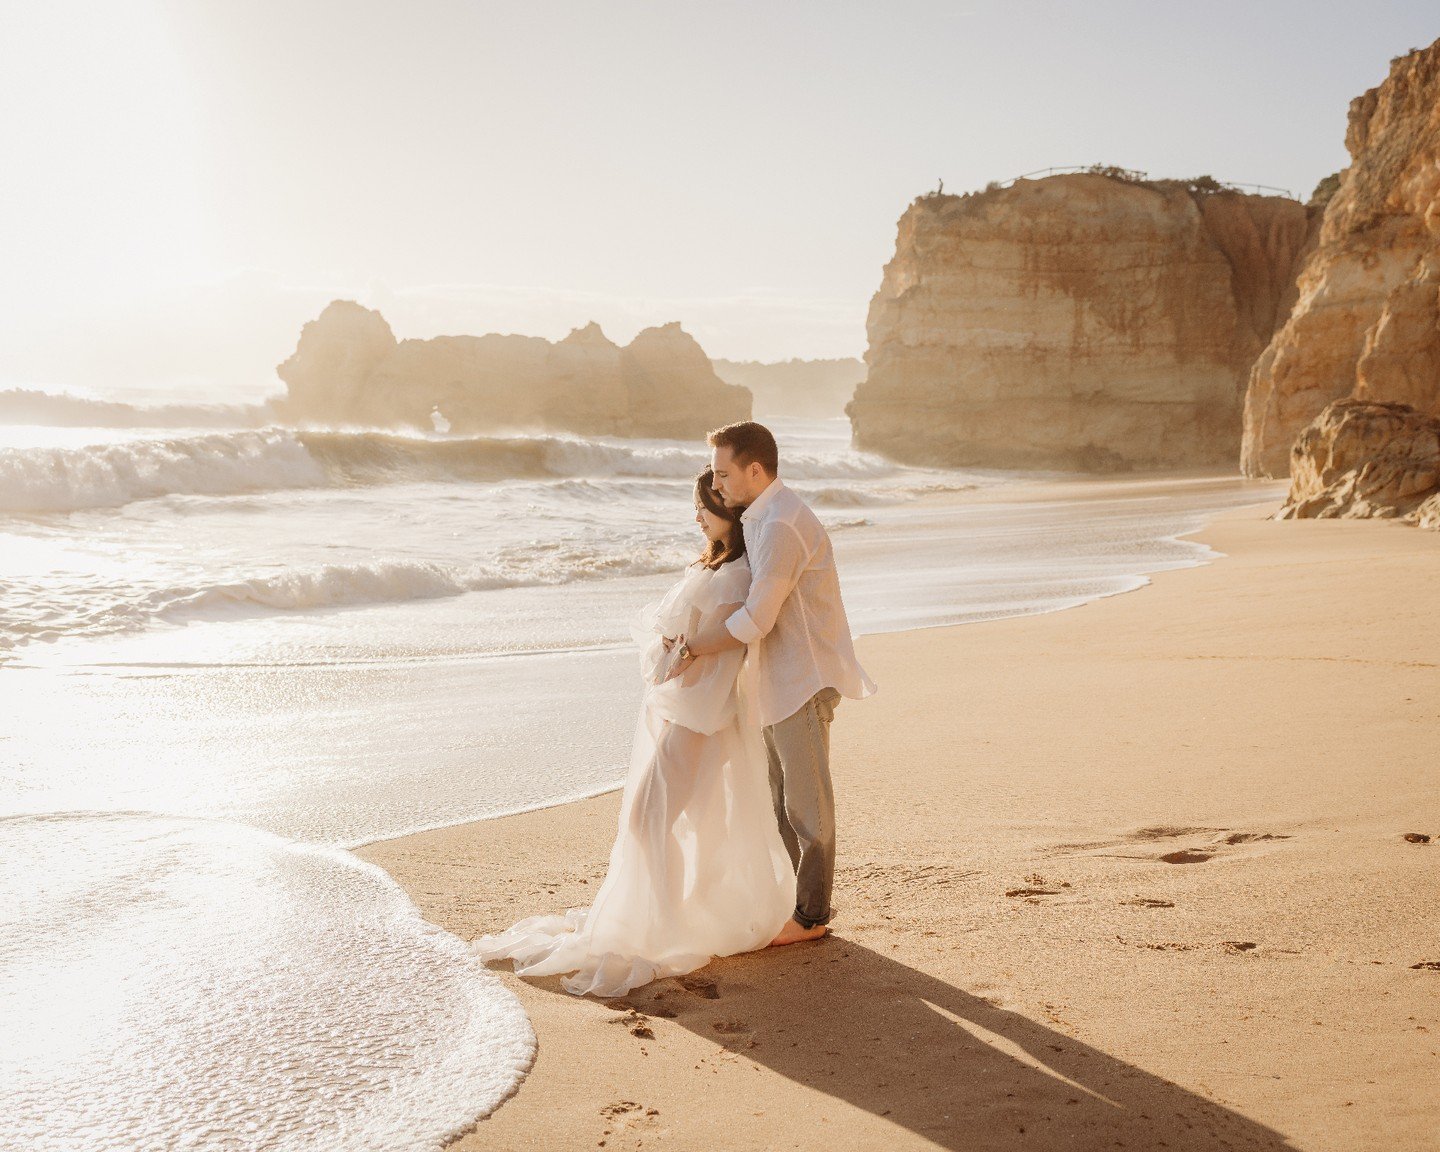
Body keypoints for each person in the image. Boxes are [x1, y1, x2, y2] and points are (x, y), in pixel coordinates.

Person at [471, 469, 795, 997]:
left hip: (701, 712)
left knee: (652, 819)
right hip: (681, 705)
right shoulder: (714, 562)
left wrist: (683, 657)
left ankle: (661, 927)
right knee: (665, 819)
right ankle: (669, 916)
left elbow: (726, 646)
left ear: (727, 511)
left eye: (703, 508)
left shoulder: (738, 572)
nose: (696, 517)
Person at [672, 421, 875, 946]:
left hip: (803, 677)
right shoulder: (760, 517)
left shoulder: (783, 524)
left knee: (807, 806)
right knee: (778, 799)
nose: (716, 487)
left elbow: (757, 617)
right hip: (774, 678)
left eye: (723, 474)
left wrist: (695, 648)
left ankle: (812, 915)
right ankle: (788, 903)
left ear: (755, 470)